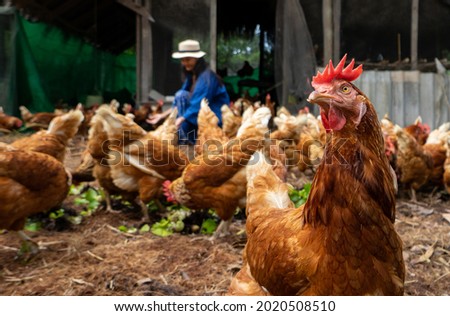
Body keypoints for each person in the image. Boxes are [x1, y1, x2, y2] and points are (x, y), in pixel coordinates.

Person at [147, 39, 230, 144]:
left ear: (197, 59)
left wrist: (179, 120)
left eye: (188, 59)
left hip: (214, 118)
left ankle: (187, 140)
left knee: (181, 96)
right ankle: (186, 139)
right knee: (180, 95)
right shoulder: (192, 76)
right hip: (199, 116)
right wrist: (163, 116)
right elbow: (179, 102)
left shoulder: (206, 78)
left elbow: (197, 104)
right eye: (182, 60)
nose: (185, 63)